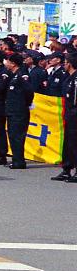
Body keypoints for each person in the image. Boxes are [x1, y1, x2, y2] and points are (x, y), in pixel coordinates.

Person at [3, 52, 34, 170]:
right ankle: (16, 160)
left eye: (9, 61)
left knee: (17, 136)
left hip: (19, 111)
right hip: (12, 110)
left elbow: (29, 91)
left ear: (13, 63)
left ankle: (19, 161)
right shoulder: (13, 75)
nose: (7, 64)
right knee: (12, 135)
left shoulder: (22, 75)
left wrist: (25, 104)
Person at [56, 53, 77, 183]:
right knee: (68, 142)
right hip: (68, 113)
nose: (64, 64)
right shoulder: (68, 78)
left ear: (69, 63)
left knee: (75, 143)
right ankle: (66, 169)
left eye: (65, 62)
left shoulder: (75, 79)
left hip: (75, 113)